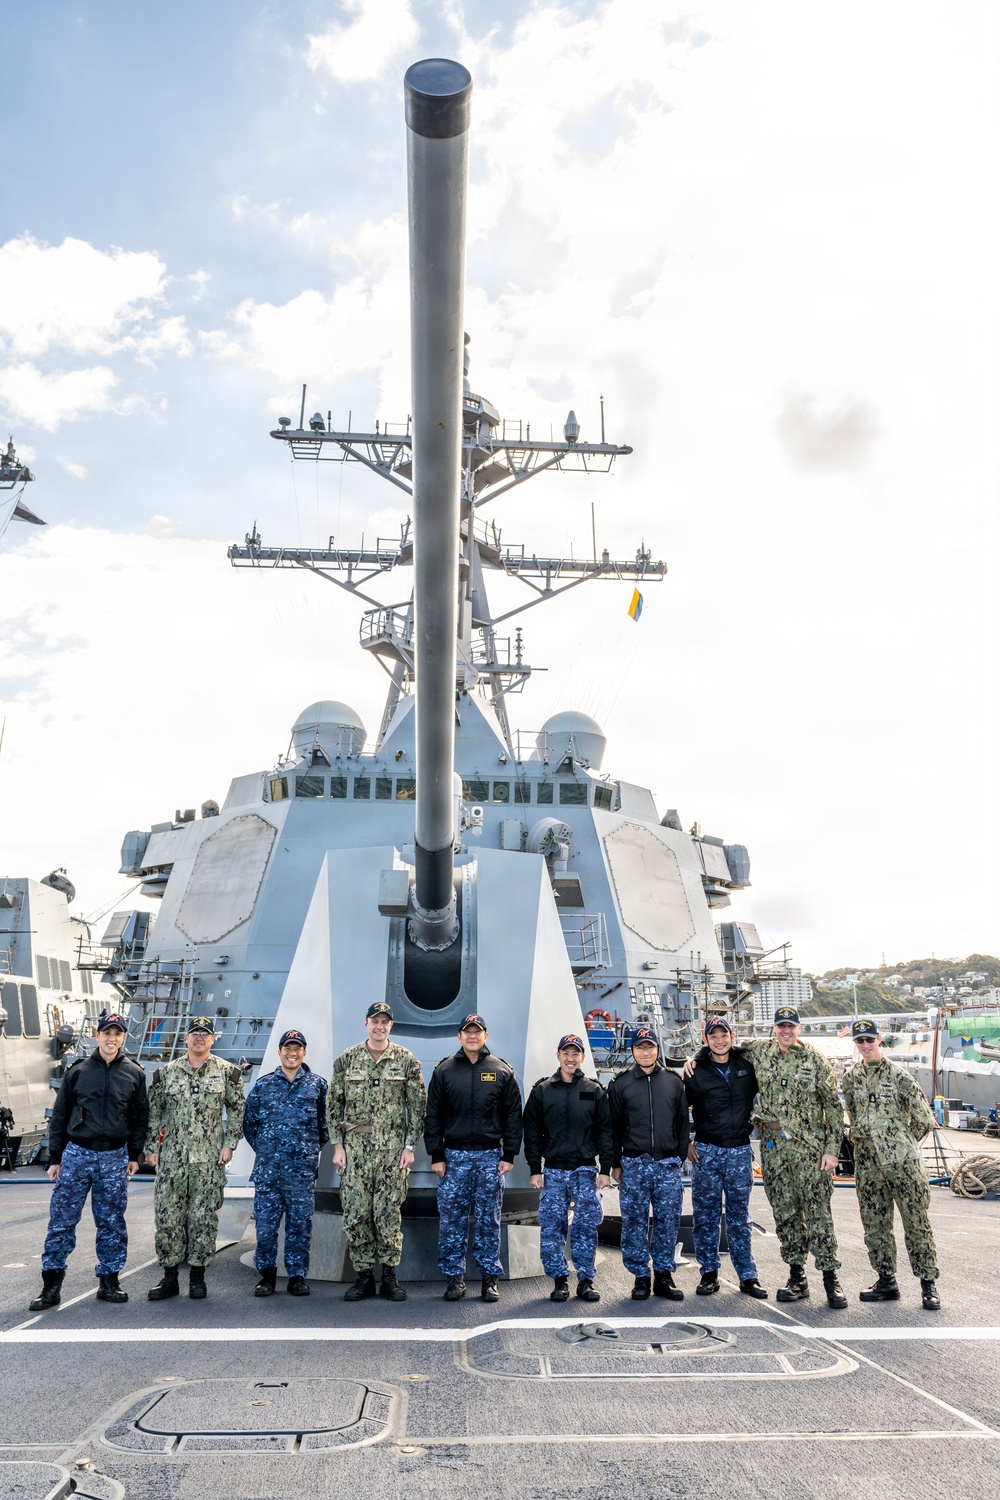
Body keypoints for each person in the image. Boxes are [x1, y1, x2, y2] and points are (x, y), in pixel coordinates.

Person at [687, 1006, 846, 1309]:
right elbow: (715, 1056)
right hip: (770, 1153)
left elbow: (833, 1107)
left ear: (798, 1029)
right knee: (784, 1215)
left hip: (808, 1150)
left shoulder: (813, 1060)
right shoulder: (757, 1052)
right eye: (781, 1026)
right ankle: (796, 1278)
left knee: (817, 1216)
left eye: (791, 1026)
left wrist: (832, 1149)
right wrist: (693, 1059)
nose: (786, 1031)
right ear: (774, 1028)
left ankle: (829, 1279)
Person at [30, 1014, 148, 1310]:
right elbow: (60, 1115)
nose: (112, 1038)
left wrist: (135, 1154)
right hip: (77, 1154)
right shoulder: (78, 1071)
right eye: (107, 1033)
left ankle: (109, 1282)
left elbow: (140, 1117)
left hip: (114, 1156)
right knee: (62, 1221)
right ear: (97, 1036)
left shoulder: (134, 1073)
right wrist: (55, 1158)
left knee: (112, 1222)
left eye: (117, 1034)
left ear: (123, 1038)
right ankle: (51, 1287)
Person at [327, 1001, 426, 1302]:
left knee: (387, 1214)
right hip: (355, 1151)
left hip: (392, 1152)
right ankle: (364, 1276)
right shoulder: (348, 1059)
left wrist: (410, 1146)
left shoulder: (406, 1060)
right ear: (366, 1024)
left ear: (390, 1026)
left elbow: (418, 1106)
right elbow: (333, 1104)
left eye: (385, 1022)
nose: (379, 1026)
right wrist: (337, 1145)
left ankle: (390, 1277)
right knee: (356, 1213)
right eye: (375, 1021)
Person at [842, 1017, 941, 1310]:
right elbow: (853, 1114)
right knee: (875, 1224)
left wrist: (900, 1142)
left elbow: (924, 1119)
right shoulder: (850, 1078)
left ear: (879, 1039)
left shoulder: (899, 1076)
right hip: (868, 1164)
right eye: (860, 1040)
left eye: (869, 1039)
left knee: (916, 1224)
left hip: (903, 1164)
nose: (865, 1045)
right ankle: (886, 1281)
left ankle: (928, 1284)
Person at [144, 1016, 246, 1301]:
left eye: (205, 1033)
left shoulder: (227, 1073)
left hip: (209, 1161)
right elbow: (153, 1112)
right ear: (186, 1039)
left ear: (212, 1039)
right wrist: (151, 1147)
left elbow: (237, 1110)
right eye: (194, 1033)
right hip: (172, 1160)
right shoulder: (166, 1073)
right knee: (168, 1218)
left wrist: (230, 1145)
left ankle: (198, 1278)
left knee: (203, 1220)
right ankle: (169, 1278)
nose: (199, 1037)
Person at [425, 1013, 523, 1303]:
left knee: (488, 1221)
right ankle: (454, 1279)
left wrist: (509, 1153)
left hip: (490, 1158)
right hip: (453, 1158)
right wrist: (436, 1154)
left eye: (477, 1031)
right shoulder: (444, 1070)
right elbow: (433, 1115)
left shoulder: (501, 1070)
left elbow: (513, 1116)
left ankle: (489, 1279)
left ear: (485, 1036)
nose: (472, 1036)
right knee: (451, 1221)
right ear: (459, 1036)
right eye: (467, 1031)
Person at [523, 1033, 612, 1302]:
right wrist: (535, 1168)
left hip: (585, 1170)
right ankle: (559, 1280)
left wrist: (605, 1169)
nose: (570, 1058)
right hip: (553, 1171)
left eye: (575, 1054)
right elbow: (532, 1131)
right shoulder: (542, 1090)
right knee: (552, 1228)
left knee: (585, 1227)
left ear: (582, 1057)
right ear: (558, 1056)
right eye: (566, 1053)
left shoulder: (594, 1090)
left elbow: (605, 1131)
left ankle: (586, 1280)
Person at [683, 1017, 767, 1299]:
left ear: (732, 1036)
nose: (719, 1041)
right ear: (706, 1040)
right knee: (706, 1216)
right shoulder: (695, 1071)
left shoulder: (747, 1066)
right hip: (707, 1151)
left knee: (739, 1217)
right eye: (713, 1036)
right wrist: (685, 1142)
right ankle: (709, 1273)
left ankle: (748, 1276)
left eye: (724, 1035)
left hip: (740, 1151)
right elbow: (678, 1109)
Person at [243, 1028, 329, 1297]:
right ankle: (266, 1276)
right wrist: (268, 1150)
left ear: (304, 1052)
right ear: (279, 1052)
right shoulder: (263, 1085)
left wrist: (306, 1151)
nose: (292, 1053)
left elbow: (325, 1126)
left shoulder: (317, 1085)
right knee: (265, 1228)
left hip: (301, 1173)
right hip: (268, 1172)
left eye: (297, 1048)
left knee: (300, 1227)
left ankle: (297, 1277)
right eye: (287, 1048)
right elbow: (250, 1124)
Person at [607, 1026, 689, 1301]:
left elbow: (682, 1124)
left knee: (668, 1222)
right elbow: (614, 1127)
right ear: (632, 1050)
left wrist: (677, 1157)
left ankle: (663, 1276)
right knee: (634, 1223)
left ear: (657, 1049)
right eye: (640, 1047)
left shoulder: (673, 1082)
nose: (645, 1052)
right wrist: (615, 1163)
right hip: (634, 1163)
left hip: (667, 1164)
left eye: (650, 1047)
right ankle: (640, 1277)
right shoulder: (620, 1084)